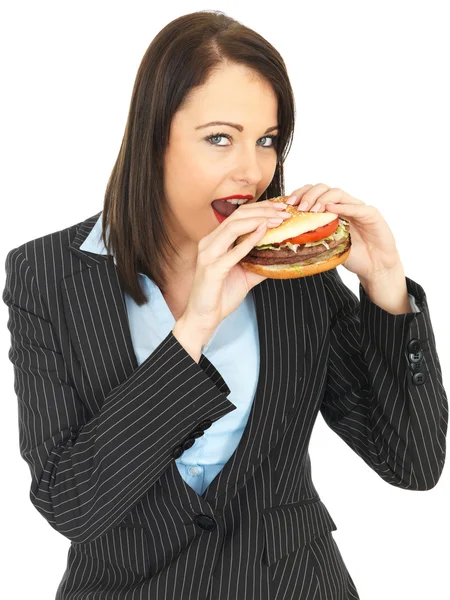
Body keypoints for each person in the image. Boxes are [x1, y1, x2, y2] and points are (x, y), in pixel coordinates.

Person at [2, 10, 448, 600]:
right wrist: (194, 329)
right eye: (219, 138)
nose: (252, 172)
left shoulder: (296, 272)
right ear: (152, 134)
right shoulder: (46, 273)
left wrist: (386, 286)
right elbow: (71, 504)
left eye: (266, 141)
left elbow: (412, 464)